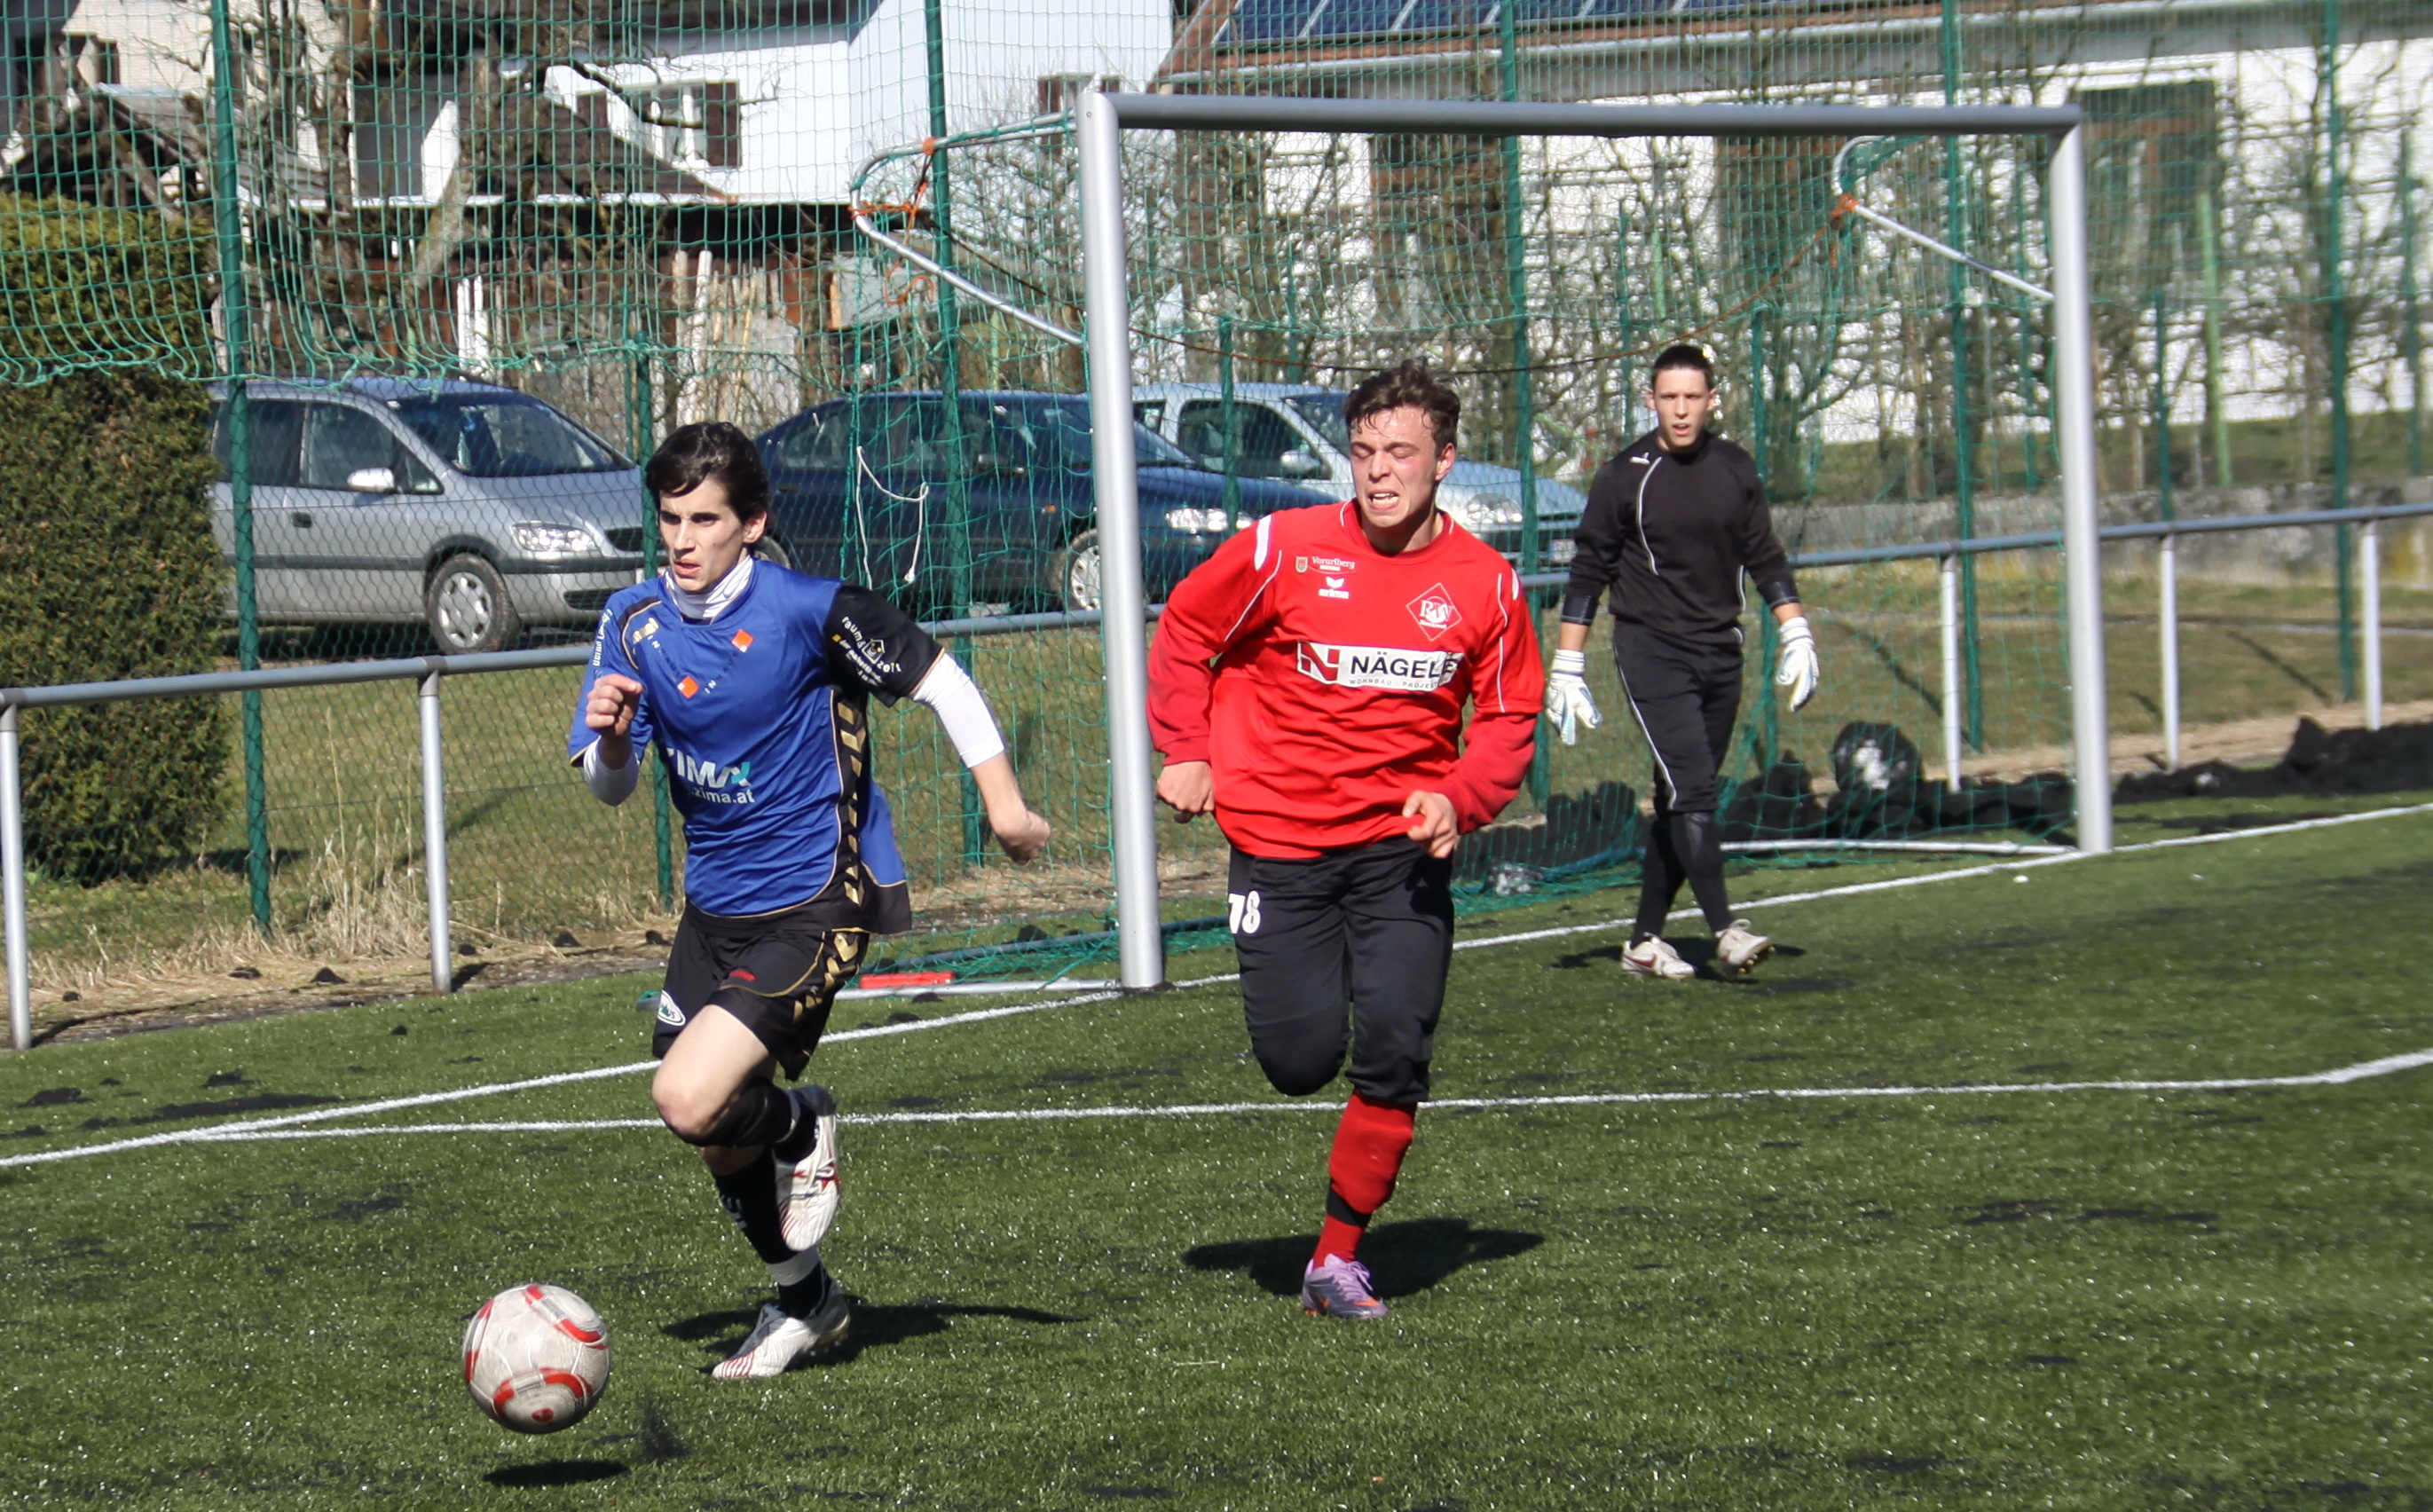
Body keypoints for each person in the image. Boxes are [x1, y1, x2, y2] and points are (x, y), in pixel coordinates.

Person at [570, 421, 1051, 1377]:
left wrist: (1004, 805)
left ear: (752, 523)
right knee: (712, 1129)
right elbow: (611, 788)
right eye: (670, 519)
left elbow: (940, 679)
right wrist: (615, 742)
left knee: (686, 1095)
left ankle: (800, 1123)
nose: (683, 541)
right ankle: (807, 1301)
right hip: (715, 909)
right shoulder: (632, 619)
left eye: (706, 520)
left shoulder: (810, 610)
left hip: (816, 896)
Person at [1146, 360, 1543, 1321]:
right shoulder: (1282, 548)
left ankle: (1336, 1257)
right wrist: (1186, 748)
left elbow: (1507, 716)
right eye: (1363, 451)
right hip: (1279, 844)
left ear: (1444, 461)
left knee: (1396, 1047)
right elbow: (1187, 630)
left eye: (1400, 452)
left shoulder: (1487, 585)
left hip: (1400, 854)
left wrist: (1461, 799)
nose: (1378, 470)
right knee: (1298, 1061)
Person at [1544, 344, 1822, 980]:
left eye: (1692, 397)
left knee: (1679, 796)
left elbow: (1764, 555)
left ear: (1712, 400)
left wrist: (1797, 629)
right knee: (1695, 789)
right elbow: (1589, 571)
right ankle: (1726, 930)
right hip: (1651, 650)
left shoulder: (1735, 467)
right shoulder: (1624, 476)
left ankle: (1644, 941)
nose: (1680, 409)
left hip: (1721, 650)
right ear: (1651, 401)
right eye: (1668, 397)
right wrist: (1567, 664)